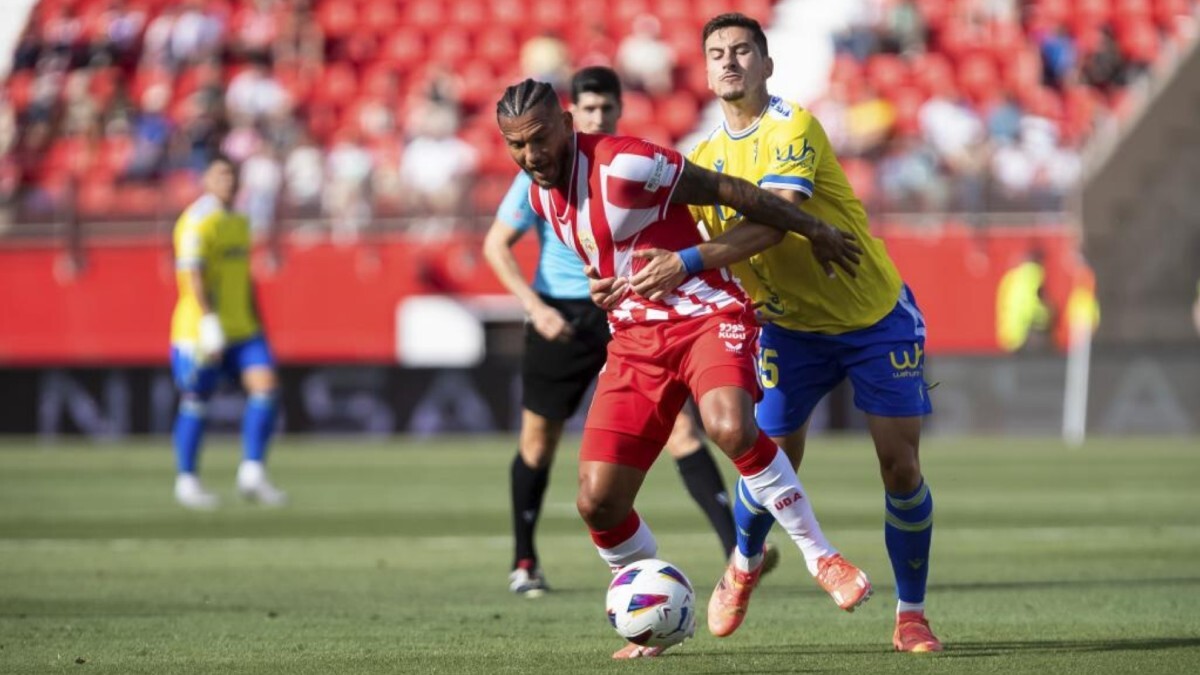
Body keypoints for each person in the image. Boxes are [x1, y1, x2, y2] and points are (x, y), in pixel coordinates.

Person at [495, 78, 870, 659]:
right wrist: (606, 286)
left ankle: (821, 555)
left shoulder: (628, 165)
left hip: (707, 312)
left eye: (539, 139)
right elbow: (615, 256)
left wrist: (815, 228)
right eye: (515, 145)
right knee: (597, 502)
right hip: (635, 339)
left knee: (727, 426)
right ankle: (656, 614)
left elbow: (730, 190)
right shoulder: (540, 193)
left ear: (568, 125)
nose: (529, 155)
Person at [612, 13, 942, 653]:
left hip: (872, 316)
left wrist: (684, 263)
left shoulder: (792, 125)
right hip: (787, 329)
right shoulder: (702, 162)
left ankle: (911, 614)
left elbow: (777, 219)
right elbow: (696, 244)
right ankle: (743, 560)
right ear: (705, 71)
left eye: (742, 51)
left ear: (766, 64)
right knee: (770, 459)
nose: (729, 61)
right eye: (716, 53)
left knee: (900, 467)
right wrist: (622, 278)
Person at [483, 67, 752, 598]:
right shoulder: (533, 178)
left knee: (682, 432)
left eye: (607, 109)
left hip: (631, 312)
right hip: (562, 314)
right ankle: (524, 559)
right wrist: (535, 307)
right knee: (540, 441)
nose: (598, 117)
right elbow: (496, 244)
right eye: (589, 109)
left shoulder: (623, 166)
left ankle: (737, 551)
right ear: (571, 115)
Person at [170, 155, 285, 510]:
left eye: (232, 175)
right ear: (205, 179)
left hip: (244, 328)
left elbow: (243, 277)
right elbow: (193, 274)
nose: (228, 182)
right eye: (220, 175)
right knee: (196, 399)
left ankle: (252, 472)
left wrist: (257, 318)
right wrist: (208, 322)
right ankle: (187, 480)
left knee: (265, 389)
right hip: (199, 331)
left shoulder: (239, 220)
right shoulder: (196, 222)